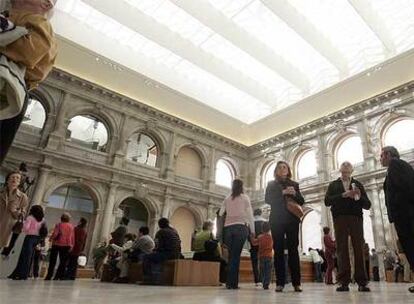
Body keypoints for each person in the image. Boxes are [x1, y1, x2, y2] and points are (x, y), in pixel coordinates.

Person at [0, 0, 58, 165]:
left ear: (46, 5)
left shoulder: (40, 22)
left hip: (10, 90)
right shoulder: (9, 15)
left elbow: (28, 52)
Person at [325, 161, 371, 292]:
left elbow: (367, 205)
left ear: (352, 171)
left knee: (358, 248)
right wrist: (343, 195)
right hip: (340, 218)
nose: (345, 171)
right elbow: (327, 201)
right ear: (340, 170)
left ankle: (362, 281)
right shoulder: (333, 185)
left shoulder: (358, 184)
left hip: (356, 218)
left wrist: (359, 196)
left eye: (347, 169)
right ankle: (343, 282)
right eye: (343, 169)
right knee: (341, 249)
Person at [265, 161, 304, 292]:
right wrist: (282, 193)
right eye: (280, 167)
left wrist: (294, 194)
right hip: (277, 220)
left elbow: (301, 201)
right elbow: (268, 200)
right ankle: (280, 283)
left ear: (288, 170)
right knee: (278, 251)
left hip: (292, 220)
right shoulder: (271, 184)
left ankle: (296, 283)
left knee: (294, 250)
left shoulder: (294, 184)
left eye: (285, 167)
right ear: (276, 171)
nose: (282, 169)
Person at [380, 146, 414, 293]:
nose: (380, 159)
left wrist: (398, 209)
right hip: (404, 213)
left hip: (406, 214)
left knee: (411, 245)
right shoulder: (396, 166)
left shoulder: (396, 165)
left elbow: (405, 188)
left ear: (388, 154)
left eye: (381, 156)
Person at [219, 179, 255, 290]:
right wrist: (252, 231)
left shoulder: (227, 198)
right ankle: (232, 284)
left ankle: (229, 283)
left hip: (228, 228)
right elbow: (250, 215)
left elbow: (220, 213)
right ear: (242, 186)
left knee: (231, 256)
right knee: (236, 256)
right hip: (241, 227)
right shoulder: (245, 198)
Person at [8, 204, 46, 280]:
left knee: (24, 256)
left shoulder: (30, 218)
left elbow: (25, 228)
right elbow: (44, 230)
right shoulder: (43, 219)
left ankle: (21, 275)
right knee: (30, 257)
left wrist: (24, 228)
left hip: (30, 238)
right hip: (37, 239)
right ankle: (20, 274)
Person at [142, 218, 181, 284]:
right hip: (177, 254)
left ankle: (149, 279)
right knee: (155, 256)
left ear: (159, 225)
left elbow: (157, 246)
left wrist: (153, 251)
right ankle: (156, 278)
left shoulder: (161, 232)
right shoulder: (174, 231)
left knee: (146, 257)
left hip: (167, 253)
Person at [0, 171, 28, 253]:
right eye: (12, 177)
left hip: (6, 227)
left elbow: (23, 214)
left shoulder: (23, 197)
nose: (15, 179)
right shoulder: (1, 192)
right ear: (7, 180)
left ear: (19, 182)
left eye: (17, 178)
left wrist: (14, 211)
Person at [45, 212, 74, 280]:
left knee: (52, 261)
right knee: (63, 262)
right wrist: (71, 245)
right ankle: (58, 276)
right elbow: (72, 237)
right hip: (66, 245)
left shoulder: (59, 224)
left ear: (61, 218)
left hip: (56, 244)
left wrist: (50, 239)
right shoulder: (71, 226)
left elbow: (55, 234)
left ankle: (49, 276)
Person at [250, 222, 273, 290]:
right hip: (269, 256)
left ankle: (263, 282)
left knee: (262, 270)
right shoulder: (271, 237)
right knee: (268, 270)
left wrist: (251, 237)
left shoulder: (260, 237)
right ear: (269, 229)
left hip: (261, 256)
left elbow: (254, 243)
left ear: (262, 229)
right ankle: (266, 284)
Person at [249, 208, 266, 286]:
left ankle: (257, 280)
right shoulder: (265, 221)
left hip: (253, 244)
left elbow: (249, 234)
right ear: (261, 213)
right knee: (263, 261)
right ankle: (263, 279)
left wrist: (251, 241)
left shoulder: (251, 222)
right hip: (263, 244)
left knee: (254, 262)